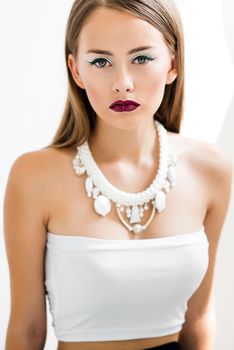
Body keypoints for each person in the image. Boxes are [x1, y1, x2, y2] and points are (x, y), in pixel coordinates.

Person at [3, 0, 232, 349]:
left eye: (141, 59)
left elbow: (198, 320)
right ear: (76, 70)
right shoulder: (34, 177)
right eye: (100, 62)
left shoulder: (211, 169)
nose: (123, 83)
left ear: (173, 63)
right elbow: (26, 331)